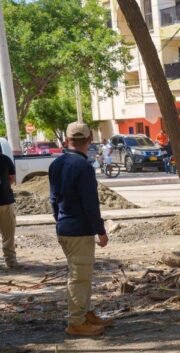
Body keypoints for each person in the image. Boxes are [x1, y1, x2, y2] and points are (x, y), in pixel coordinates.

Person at [48, 122, 113, 336]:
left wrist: (60, 220)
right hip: (79, 230)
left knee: (81, 274)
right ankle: (76, 321)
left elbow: (54, 199)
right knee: (79, 277)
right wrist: (100, 231)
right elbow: (90, 204)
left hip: (65, 227)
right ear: (89, 140)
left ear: (67, 140)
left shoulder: (56, 164)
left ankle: (85, 313)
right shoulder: (84, 167)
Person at [0, 151, 17, 269]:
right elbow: (11, 178)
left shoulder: (5, 159)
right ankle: (10, 261)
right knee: (8, 233)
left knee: (9, 234)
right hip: (5, 200)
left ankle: (10, 261)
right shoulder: (5, 159)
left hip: (6, 200)